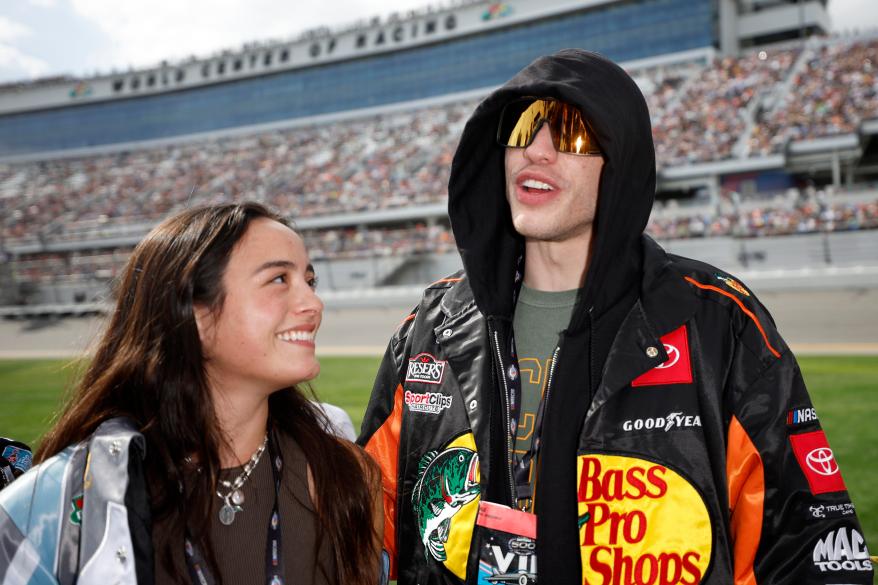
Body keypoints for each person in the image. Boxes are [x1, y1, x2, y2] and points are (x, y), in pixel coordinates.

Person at [358, 49, 873, 584]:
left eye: (572, 134)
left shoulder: (718, 322)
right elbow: (357, 533)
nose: (537, 151)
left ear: (620, 164)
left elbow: (811, 551)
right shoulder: (432, 327)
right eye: (523, 127)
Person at [0, 202, 384, 585]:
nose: (313, 303)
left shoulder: (347, 476)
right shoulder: (60, 503)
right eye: (279, 280)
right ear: (193, 312)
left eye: (310, 282)